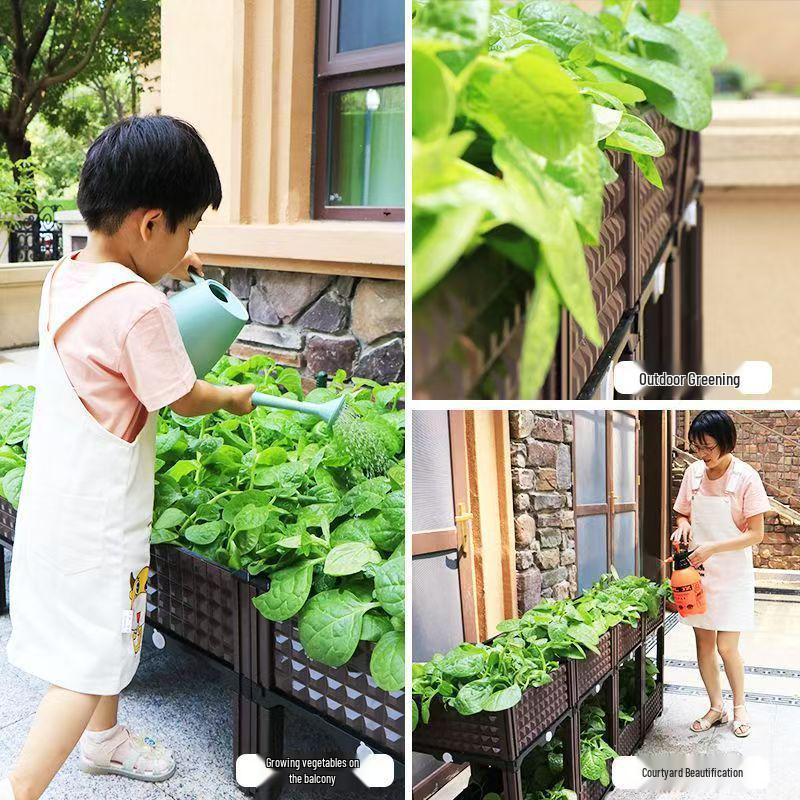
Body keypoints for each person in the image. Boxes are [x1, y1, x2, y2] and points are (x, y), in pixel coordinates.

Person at [1, 116, 256, 800]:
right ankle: (21, 788)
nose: (189, 245)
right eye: (189, 229)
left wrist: (175, 264)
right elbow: (184, 395)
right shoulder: (141, 309)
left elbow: (114, 327)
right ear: (150, 225)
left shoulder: (66, 276)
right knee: (90, 662)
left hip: (58, 498)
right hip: (104, 520)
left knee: (112, 628)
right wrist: (230, 397)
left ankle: (105, 741)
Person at [672, 410, 769, 739]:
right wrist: (682, 528)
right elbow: (682, 515)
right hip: (698, 575)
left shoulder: (746, 477)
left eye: (708, 447)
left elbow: (756, 534)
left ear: (726, 442)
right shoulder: (693, 474)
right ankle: (716, 707)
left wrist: (712, 547)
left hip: (732, 575)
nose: (702, 455)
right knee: (703, 646)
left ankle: (740, 707)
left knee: (727, 647)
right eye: (697, 447)